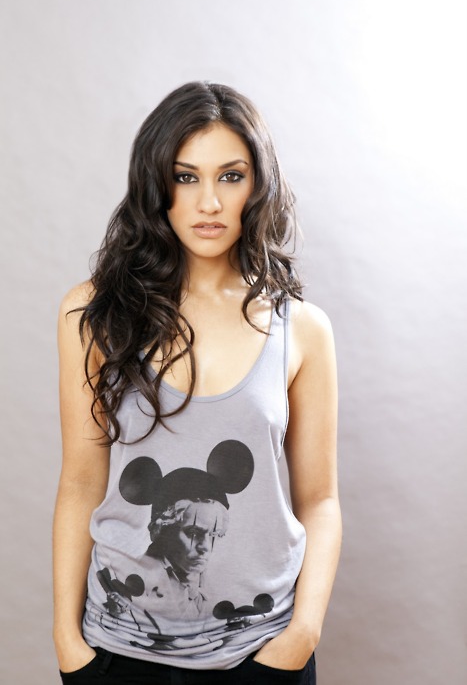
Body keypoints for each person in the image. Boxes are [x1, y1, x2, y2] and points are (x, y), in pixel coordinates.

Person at [53, 81, 341, 684]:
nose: (209, 201)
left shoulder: (302, 329)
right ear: (155, 185)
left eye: (230, 176)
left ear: (257, 186)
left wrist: (303, 635)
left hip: (263, 650)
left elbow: (320, 500)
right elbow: (81, 481)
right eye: (186, 177)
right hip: (119, 651)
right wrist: (67, 643)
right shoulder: (94, 313)